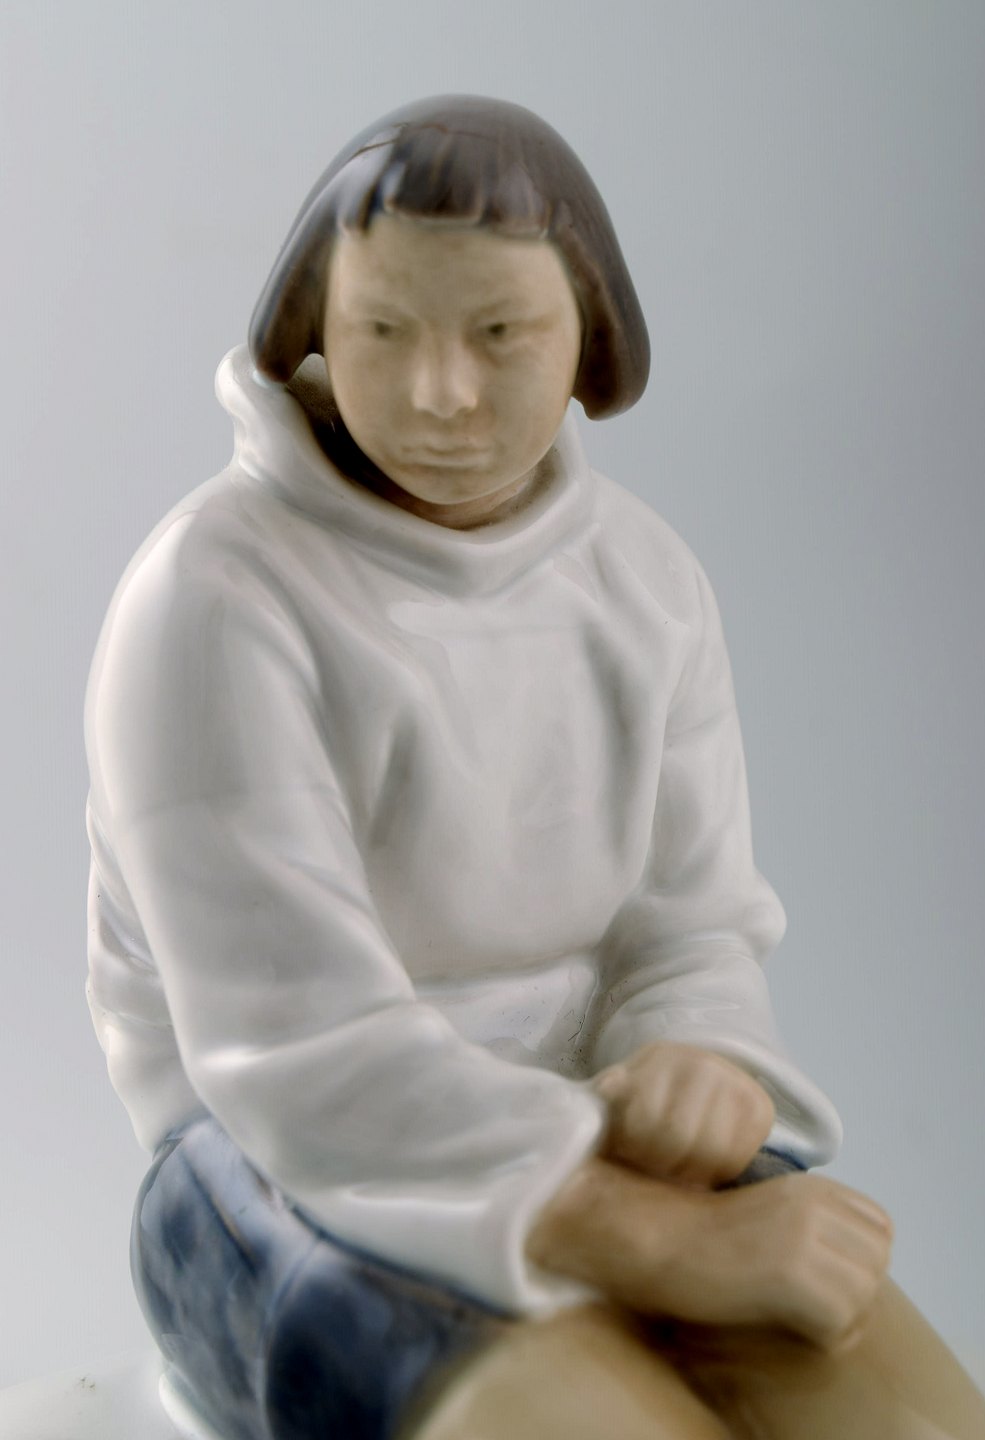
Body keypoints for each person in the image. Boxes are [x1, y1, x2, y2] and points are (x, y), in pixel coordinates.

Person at [85, 95, 985, 1439]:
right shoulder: (213, 599)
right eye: (384, 332)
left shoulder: (644, 583)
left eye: (499, 334)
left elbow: (689, 923)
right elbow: (297, 1050)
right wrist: (662, 1244)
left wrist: (695, 1055)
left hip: (591, 1125)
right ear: (312, 328)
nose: (441, 393)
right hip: (284, 1166)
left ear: (588, 340)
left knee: (908, 1422)